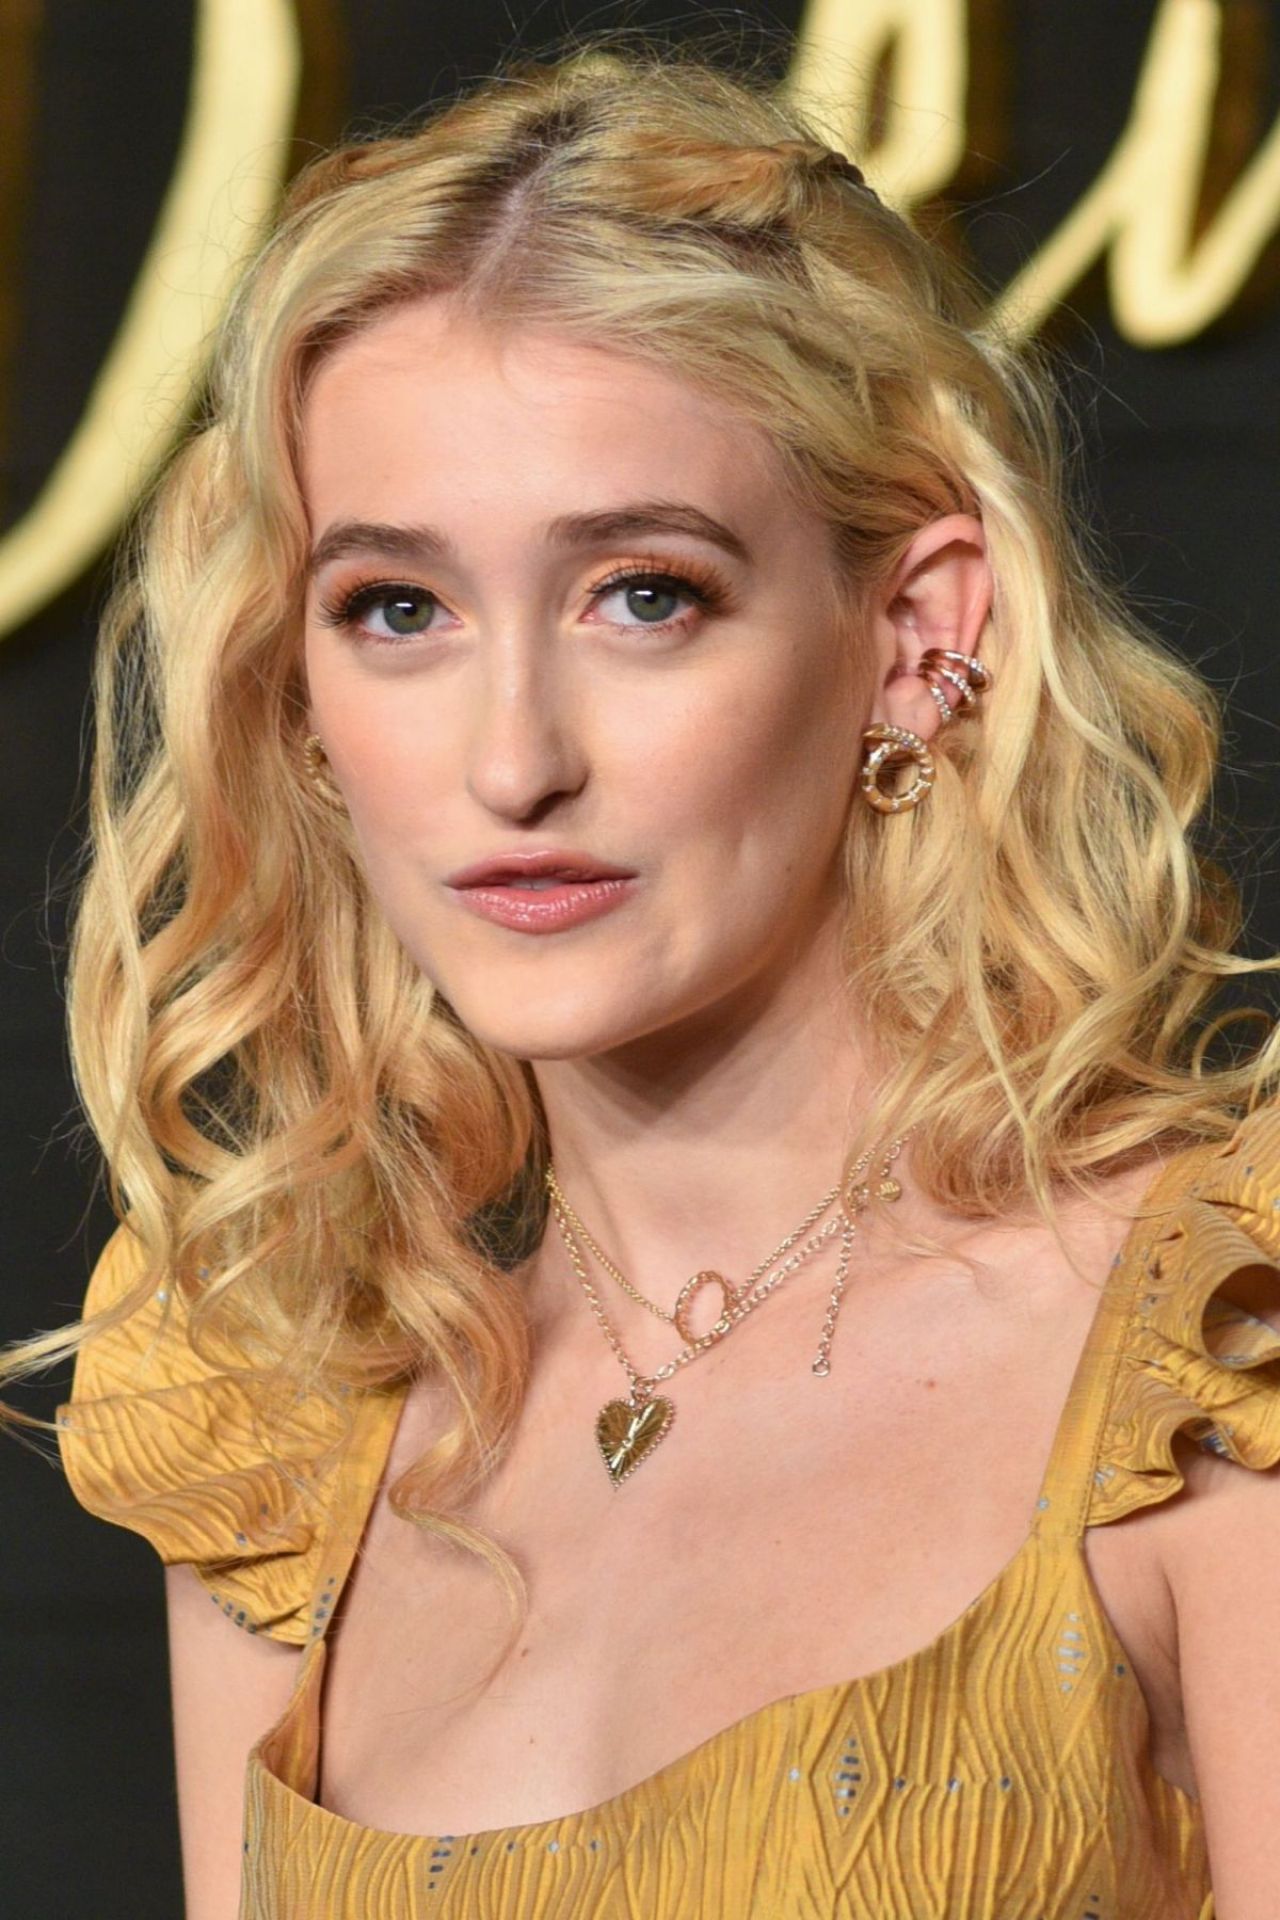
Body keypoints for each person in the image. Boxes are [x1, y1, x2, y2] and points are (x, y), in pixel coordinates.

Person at [5, 39, 1280, 1920]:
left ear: (917, 636)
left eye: (644, 594)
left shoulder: (1218, 1365)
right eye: (398, 610)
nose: (513, 759)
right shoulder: (287, 1430)